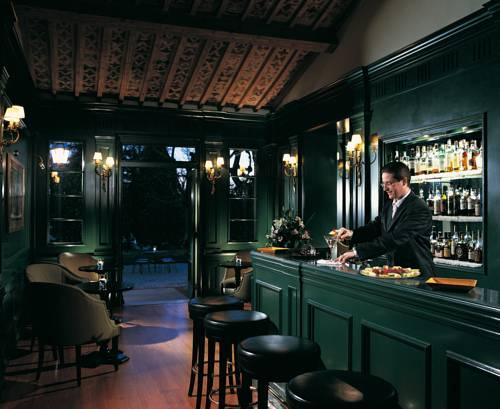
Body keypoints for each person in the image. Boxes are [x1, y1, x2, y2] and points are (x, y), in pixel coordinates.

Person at [335, 161, 434, 277]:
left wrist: (357, 252)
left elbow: (395, 238)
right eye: (383, 184)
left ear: (404, 181)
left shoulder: (418, 208)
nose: (385, 188)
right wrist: (352, 233)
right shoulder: (389, 205)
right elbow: (375, 228)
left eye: (389, 183)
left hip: (417, 274)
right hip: (395, 273)